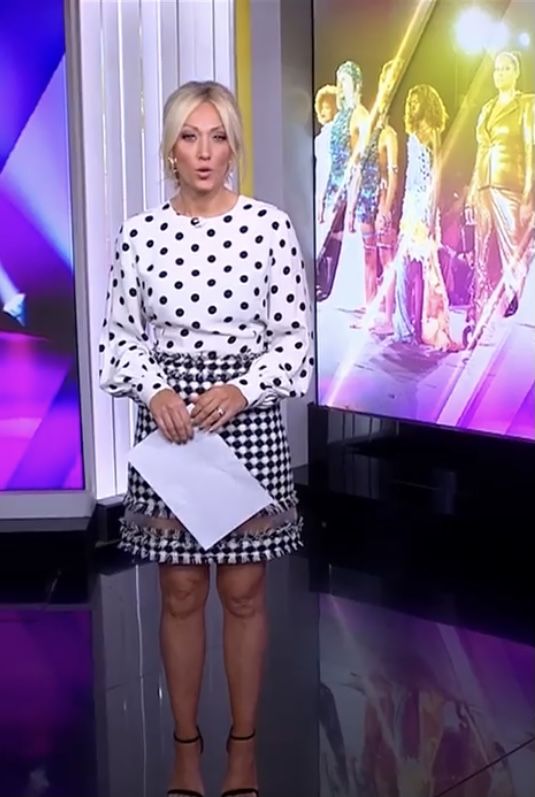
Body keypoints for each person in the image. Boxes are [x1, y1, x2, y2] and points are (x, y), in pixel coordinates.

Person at [98, 80, 314, 797]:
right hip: (171, 422)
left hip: (243, 415)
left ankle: (243, 750)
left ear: (233, 147)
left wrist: (244, 388)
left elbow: (294, 340)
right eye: (190, 137)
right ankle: (185, 750)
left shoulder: (269, 227)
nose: (204, 152)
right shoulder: (139, 234)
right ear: (170, 148)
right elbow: (118, 340)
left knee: (244, 591)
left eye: (217, 137)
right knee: (182, 588)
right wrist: (155, 390)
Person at [466, 50, 534, 329]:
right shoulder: (487, 108)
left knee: (515, 249)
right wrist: (472, 190)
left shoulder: (527, 104)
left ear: (516, 73)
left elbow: (531, 151)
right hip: (485, 185)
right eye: (497, 69)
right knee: (482, 249)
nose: (500, 73)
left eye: (506, 68)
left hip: (511, 185)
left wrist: (529, 196)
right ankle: (481, 310)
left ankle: (517, 305)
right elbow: (480, 151)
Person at [393, 84, 458, 350]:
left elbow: (436, 175)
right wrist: (405, 209)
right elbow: (411, 176)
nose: (412, 106)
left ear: (427, 103)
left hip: (425, 206)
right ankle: (404, 327)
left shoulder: (433, 133)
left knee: (427, 270)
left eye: (417, 101)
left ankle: (430, 328)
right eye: (410, 102)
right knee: (403, 266)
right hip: (411, 205)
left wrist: (430, 215)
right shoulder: (410, 134)